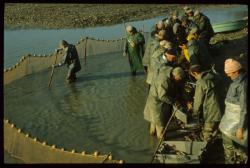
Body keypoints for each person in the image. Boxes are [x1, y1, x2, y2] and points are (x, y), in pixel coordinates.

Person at [144, 46, 184, 139]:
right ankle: (160, 143)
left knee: (153, 123)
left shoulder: (166, 71)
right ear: (175, 76)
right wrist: (173, 101)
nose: (178, 81)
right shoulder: (164, 80)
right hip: (157, 106)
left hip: (152, 100)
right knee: (161, 129)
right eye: (179, 79)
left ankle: (151, 141)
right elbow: (162, 96)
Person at [219, 58, 248, 164]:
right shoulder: (238, 80)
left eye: (229, 73)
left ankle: (231, 160)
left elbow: (245, 108)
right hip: (231, 119)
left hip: (236, 122)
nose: (228, 75)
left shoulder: (243, 85)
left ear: (236, 71)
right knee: (233, 145)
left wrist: (240, 128)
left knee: (231, 146)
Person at [188, 64, 224, 142]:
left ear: (195, 73)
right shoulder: (216, 76)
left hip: (212, 113)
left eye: (193, 76)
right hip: (224, 108)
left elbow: (198, 101)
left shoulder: (201, 82)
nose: (195, 78)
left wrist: (195, 112)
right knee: (222, 131)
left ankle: (207, 151)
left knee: (207, 134)